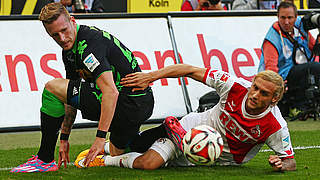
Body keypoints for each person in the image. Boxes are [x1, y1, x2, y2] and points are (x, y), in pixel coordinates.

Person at [10, 2, 154, 173]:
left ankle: (44, 159)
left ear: (72, 20)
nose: (62, 38)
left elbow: (110, 92)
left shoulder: (88, 45)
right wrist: (64, 138)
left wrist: (100, 138)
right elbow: (69, 97)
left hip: (128, 102)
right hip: (137, 105)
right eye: (55, 35)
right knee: (120, 152)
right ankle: (165, 134)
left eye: (64, 30)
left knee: (51, 89)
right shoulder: (70, 50)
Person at [75, 64, 296, 171]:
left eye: (264, 93)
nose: (254, 95)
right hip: (189, 132)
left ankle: (108, 149)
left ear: (275, 99)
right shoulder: (234, 86)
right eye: (254, 88)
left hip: (218, 160)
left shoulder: (275, 126)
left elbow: (290, 160)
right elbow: (190, 70)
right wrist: (150, 76)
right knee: (149, 163)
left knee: (144, 150)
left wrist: (281, 164)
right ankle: (105, 158)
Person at [258, 1, 320, 117]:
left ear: (296, 17)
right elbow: (271, 70)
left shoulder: (299, 27)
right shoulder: (272, 39)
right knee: (314, 67)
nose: (286, 22)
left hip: (299, 72)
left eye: (290, 18)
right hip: (282, 79)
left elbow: (313, 48)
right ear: (277, 17)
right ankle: (298, 106)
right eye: (283, 18)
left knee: (314, 68)